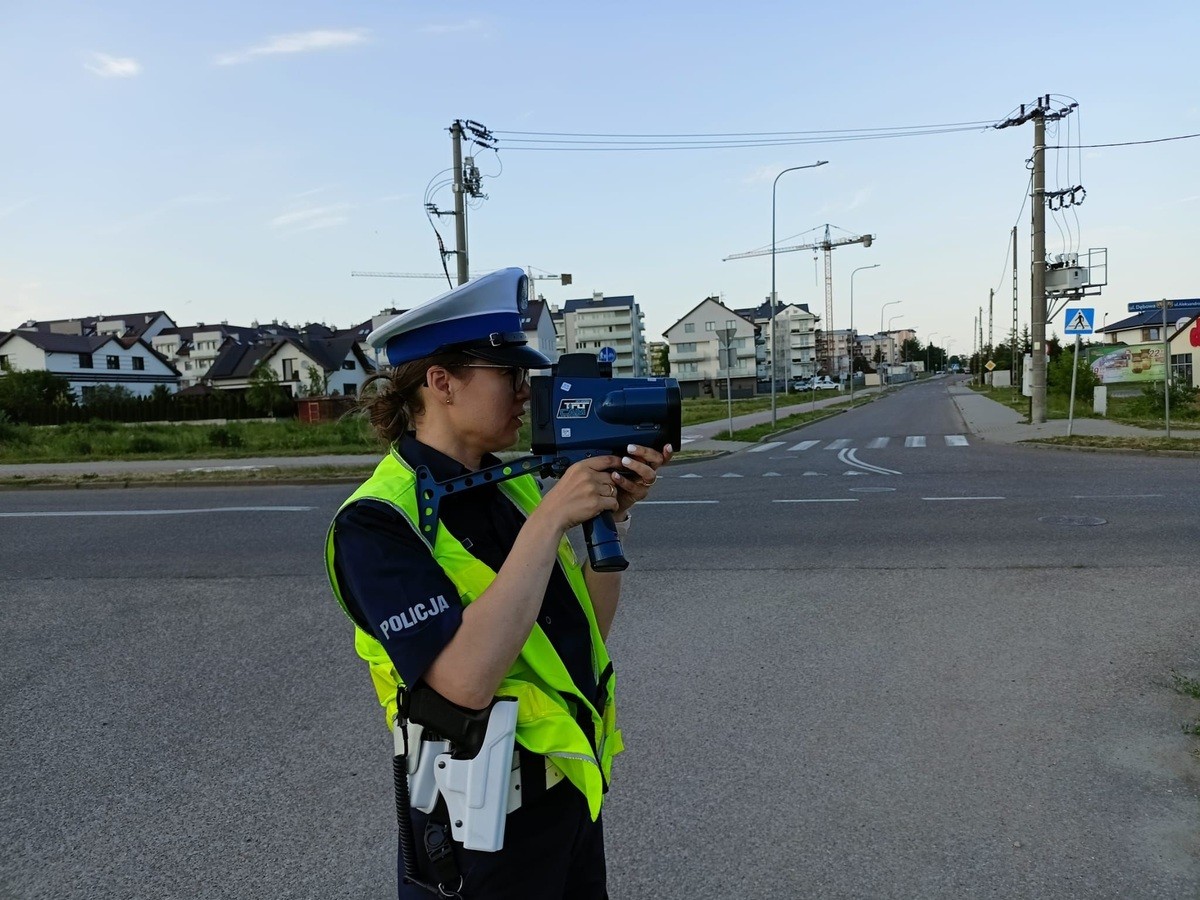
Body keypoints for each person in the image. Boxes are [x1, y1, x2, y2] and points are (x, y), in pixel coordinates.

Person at [324, 268, 671, 899]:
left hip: (567, 803)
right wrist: (551, 520)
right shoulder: (376, 522)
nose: (525, 390)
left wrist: (613, 518)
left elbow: (585, 630)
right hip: (476, 835)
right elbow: (462, 684)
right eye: (508, 374)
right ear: (441, 383)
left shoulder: (508, 486)